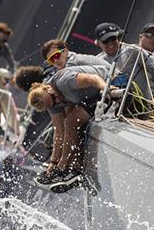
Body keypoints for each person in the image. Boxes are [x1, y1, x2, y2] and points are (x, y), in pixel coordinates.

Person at [28, 64, 109, 192]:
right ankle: (72, 168)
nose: (57, 102)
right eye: (53, 104)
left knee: (71, 122)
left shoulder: (64, 81)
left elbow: (93, 78)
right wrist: (53, 162)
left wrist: (106, 89)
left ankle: (66, 167)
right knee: (69, 124)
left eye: (54, 98)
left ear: (47, 88)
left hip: (106, 84)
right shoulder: (51, 101)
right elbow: (59, 132)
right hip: (90, 99)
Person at [94, 22, 154, 115]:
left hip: (141, 108)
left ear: (118, 38)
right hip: (111, 108)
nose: (110, 43)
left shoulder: (132, 51)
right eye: (106, 41)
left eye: (113, 39)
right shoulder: (96, 61)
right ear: (97, 43)